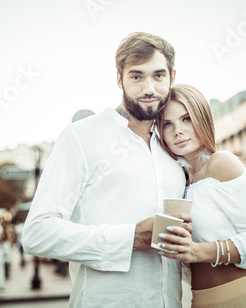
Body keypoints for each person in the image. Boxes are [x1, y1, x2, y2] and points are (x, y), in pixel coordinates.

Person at [22, 32, 192, 307]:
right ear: (119, 78)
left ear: (172, 76)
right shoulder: (81, 137)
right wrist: (131, 237)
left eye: (158, 76)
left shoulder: (173, 148)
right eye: (137, 76)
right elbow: (37, 234)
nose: (149, 88)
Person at [156, 84, 246, 307]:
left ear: (202, 118)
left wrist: (198, 251)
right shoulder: (177, 183)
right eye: (168, 124)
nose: (177, 130)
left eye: (186, 119)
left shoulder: (221, 163)